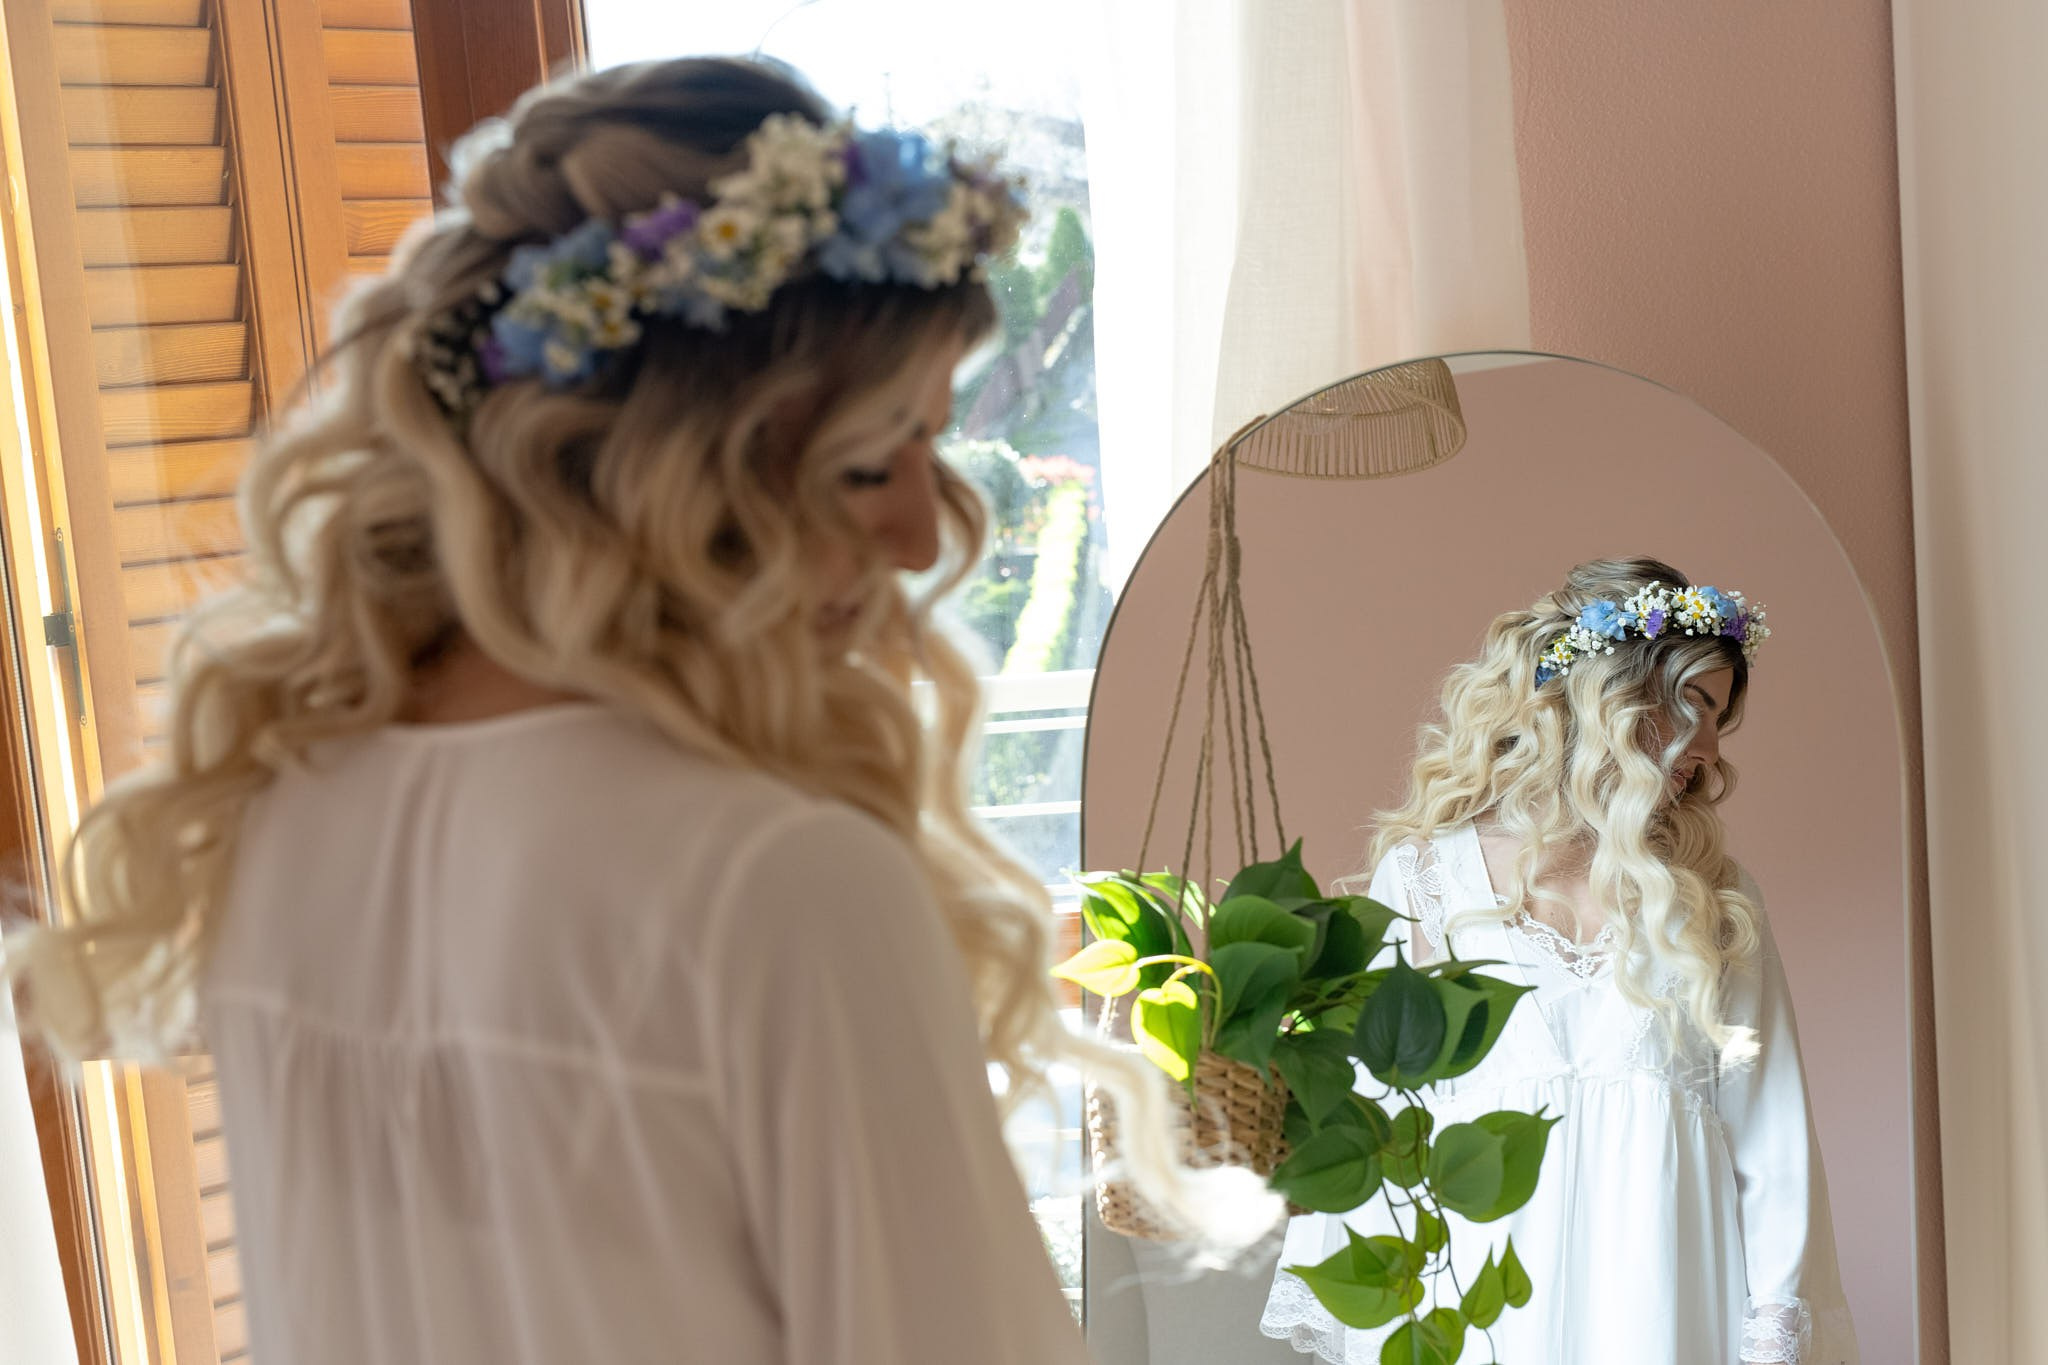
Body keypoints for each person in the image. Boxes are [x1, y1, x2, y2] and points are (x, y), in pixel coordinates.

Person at [4, 55, 1247, 1365]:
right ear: (674, 453)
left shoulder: (290, 821)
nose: (919, 535)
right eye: (869, 461)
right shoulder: (775, 880)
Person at [1258, 557, 1859, 1365]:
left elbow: (1772, 1139)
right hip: (1484, 1311)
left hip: (1670, 1313)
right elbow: (1375, 1123)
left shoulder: (1714, 899)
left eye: (1722, 718)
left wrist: (1774, 1335)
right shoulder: (1430, 881)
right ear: (1613, 694)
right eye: (1696, 704)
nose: (1713, 748)